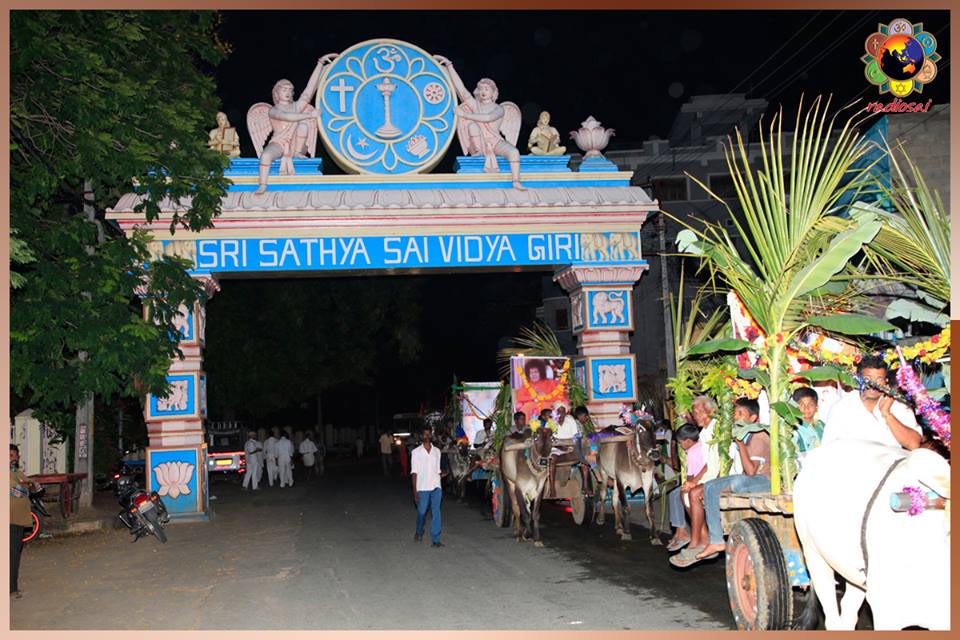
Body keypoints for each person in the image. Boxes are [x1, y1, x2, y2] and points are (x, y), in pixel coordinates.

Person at [671, 398, 771, 567]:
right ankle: (707, 540)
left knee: (706, 489)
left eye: (740, 413)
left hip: (755, 479)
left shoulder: (757, 435)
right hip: (736, 476)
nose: (735, 417)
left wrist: (739, 443)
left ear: (753, 418)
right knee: (705, 489)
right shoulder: (732, 433)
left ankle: (703, 541)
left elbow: (750, 471)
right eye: (734, 413)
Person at [821, 354, 921, 450]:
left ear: (886, 381)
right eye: (867, 379)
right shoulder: (842, 408)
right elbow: (827, 449)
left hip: (894, 461)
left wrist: (887, 414)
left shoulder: (898, 405)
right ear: (858, 379)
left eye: (879, 379)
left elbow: (914, 444)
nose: (873, 385)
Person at [666, 395, 719, 552]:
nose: (695, 417)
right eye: (694, 413)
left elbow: (714, 463)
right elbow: (708, 463)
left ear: (711, 411)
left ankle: (697, 540)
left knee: (690, 493)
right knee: (685, 493)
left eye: (698, 412)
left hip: (717, 475)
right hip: (709, 473)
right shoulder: (704, 433)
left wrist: (694, 481)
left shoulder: (717, 429)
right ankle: (701, 537)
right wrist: (694, 481)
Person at [10, 444, 40, 599]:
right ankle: (11, 589)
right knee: (12, 555)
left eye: (13, 455)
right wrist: (27, 485)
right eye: (8, 456)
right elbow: (18, 491)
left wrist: (27, 485)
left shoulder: (17, 472)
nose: (11, 458)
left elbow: (36, 487)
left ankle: (11, 587)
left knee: (14, 554)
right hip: (10, 519)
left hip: (19, 519)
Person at [411, 427, 447, 547]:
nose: (427, 436)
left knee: (436, 512)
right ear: (421, 436)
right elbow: (414, 473)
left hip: (436, 485)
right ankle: (419, 531)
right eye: (425, 434)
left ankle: (436, 539)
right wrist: (415, 492)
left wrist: (443, 474)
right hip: (422, 487)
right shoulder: (416, 452)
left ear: (431, 435)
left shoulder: (437, 451)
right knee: (422, 512)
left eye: (429, 434)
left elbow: (437, 470)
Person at [792, 387, 824, 467]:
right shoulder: (794, 429)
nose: (806, 408)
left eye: (811, 404)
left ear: (817, 407)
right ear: (794, 407)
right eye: (801, 405)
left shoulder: (822, 426)